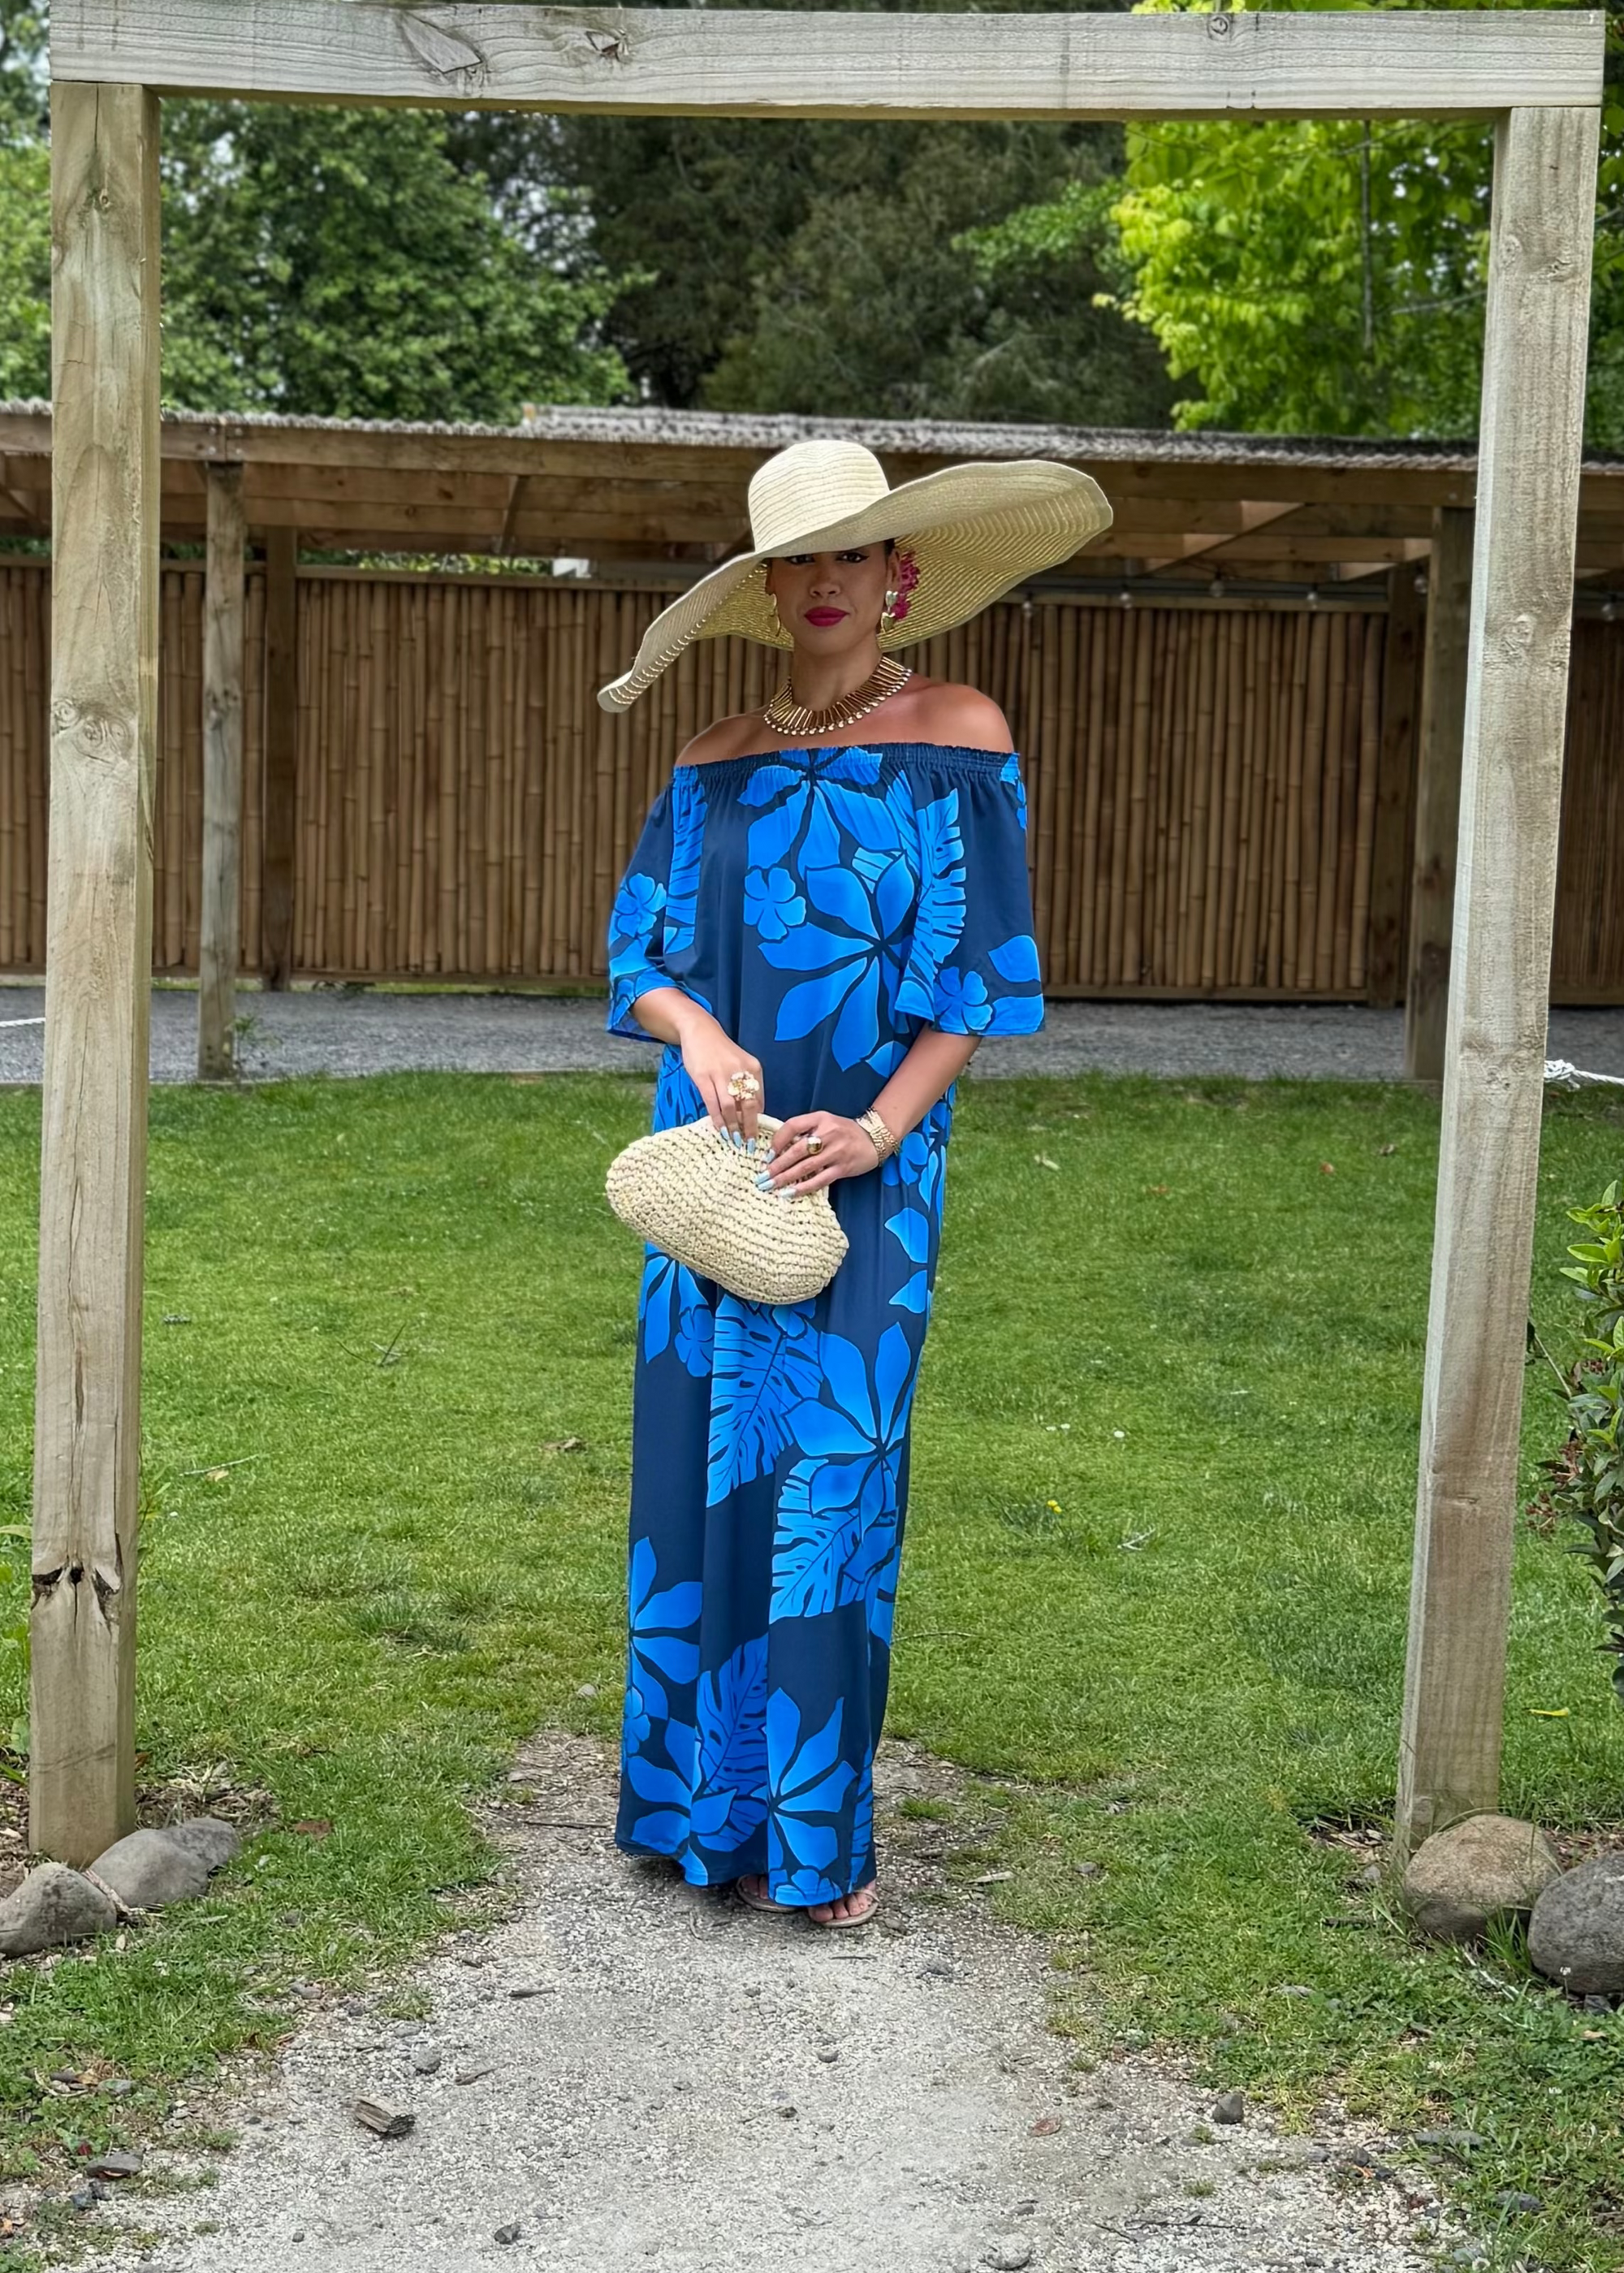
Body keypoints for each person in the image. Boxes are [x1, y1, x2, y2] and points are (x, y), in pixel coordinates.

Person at [599, 438, 1112, 1927]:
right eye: (796, 562)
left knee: (831, 1483)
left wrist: (878, 1132)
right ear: (768, 589)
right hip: (722, 1169)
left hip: (872, 1169)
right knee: (703, 1473)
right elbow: (640, 962)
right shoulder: (709, 760)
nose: (824, 584)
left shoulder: (960, 733)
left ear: (899, 576)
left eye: (850, 557)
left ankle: (815, 1840)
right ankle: (698, 1812)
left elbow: (981, 979)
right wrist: (695, 1035)